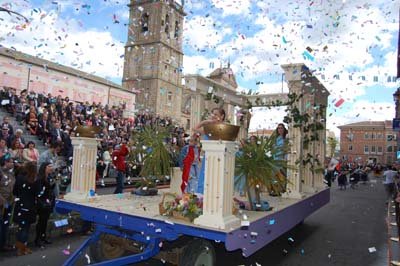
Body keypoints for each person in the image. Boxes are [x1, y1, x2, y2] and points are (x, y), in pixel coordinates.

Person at [193, 107, 225, 194]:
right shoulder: (208, 128)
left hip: (219, 158)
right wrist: (205, 122)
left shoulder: (225, 128)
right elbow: (195, 129)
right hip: (207, 157)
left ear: (222, 116)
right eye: (212, 114)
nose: (213, 116)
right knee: (204, 178)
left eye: (216, 114)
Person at [13, 161, 38, 256]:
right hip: (30, 206)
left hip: (20, 205)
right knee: (25, 228)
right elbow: (37, 193)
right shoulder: (34, 180)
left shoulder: (19, 178)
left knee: (21, 227)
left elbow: (15, 191)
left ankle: (20, 247)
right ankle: (22, 249)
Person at [35, 162, 56, 247]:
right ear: (44, 168)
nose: (51, 168)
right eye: (49, 166)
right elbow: (40, 192)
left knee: (45, 221)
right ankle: (38, 239)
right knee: (41, 221)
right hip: (42, 203)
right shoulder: (40, 178)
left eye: (51, 166)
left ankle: (43, 237)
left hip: (48, 202)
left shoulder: (49, 177)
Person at [0, 153, 16, 252]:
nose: (13, 163)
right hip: (1, 203)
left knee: (5, 224)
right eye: (11, 161)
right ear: (5, 162)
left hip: (9, 203)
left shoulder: (11, 173)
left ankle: (3, 244)